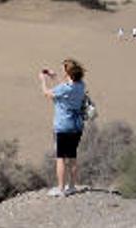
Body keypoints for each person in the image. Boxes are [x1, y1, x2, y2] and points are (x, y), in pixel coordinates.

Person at [38, 58, 87, 197]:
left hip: (63, 125)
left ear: (68, 72)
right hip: (77, 125)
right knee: (72, 156)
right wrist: (56, 77)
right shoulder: (81, 85)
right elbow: (67, 87)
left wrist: (43, 80)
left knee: (60, 158)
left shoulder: (65, 88)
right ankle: (71, 186)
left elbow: (48, 93)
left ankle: (61, 189)